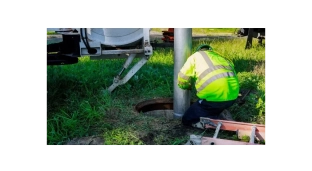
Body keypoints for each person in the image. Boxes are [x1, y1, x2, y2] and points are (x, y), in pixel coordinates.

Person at [177, 44, 240, 127]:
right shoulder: (221, 57)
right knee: (214, 107)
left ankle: (213, 122)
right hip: (233, 97)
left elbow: (182, 77)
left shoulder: (195, 56)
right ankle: (220, 112)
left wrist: (186, 86)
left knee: (187, 119)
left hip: (213, 100)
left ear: (198, 51)